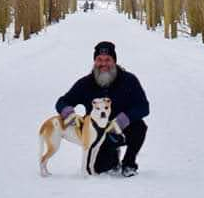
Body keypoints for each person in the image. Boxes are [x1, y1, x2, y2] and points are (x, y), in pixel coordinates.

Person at [55, 41, 149, 177]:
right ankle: (112, 157)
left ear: (114, 61)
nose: (103, 64)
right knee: (101, 168)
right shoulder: (85, 83)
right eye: (99, 60)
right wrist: (69, 114)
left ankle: (129, 163)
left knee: (139, 127)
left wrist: (123, 120)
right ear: (94, 61)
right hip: (97, 134)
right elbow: (62, 101)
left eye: (108, 60)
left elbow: (144, 107)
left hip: (121, 128)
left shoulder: (129, 80)